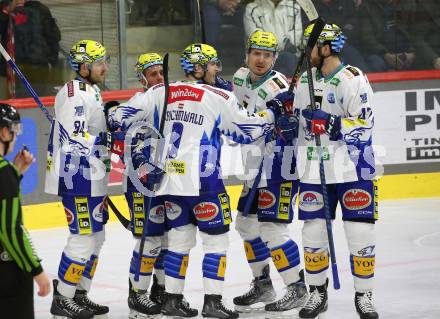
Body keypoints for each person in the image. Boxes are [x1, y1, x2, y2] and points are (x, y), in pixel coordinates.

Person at [107, 42, 292, 318]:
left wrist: (126, 129)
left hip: (169, 181)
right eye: (213, 64)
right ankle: (212, 302)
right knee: (216, 242)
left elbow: (117, 117)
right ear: (199, 68)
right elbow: (246, 131)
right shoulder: (218, 96)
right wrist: (274, 112)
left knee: (179, 240)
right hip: (204, 182)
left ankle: (172, 300)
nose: (218, 69)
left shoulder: (159, 91)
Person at [273, 22, 379, 319]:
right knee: (314, 232)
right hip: (313, 168)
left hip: (353, 169)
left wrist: (333, 124)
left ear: (327, 48)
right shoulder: (304, 81)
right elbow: (297, 126)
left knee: (360, 232)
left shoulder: (353, 79)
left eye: (310, 47)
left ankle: (364, 295)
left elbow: (365, 126)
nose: (306, 53)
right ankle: (317, 293)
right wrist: (287, 125)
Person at [232, 29, 307, 315]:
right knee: (246, 226)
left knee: (272, 228)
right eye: (256, 54)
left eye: (267, 55)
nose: (261, 60)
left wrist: (290, 122)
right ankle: (263, 284)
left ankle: (297, 288)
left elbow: (299, 125)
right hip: (254, 167)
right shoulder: (240, 77)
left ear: (274, 58)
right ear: (247, 55)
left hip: (280, 166)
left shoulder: (279, 86)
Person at [44, 39, 111, 319]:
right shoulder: (75, 94)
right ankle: (64, 298)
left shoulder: (90, 90)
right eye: (98, 63)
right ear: (83, 67)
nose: (104, 67)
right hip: (75, 174)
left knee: (96, 237)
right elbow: (75, 140)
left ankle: (79, 293)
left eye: (104, 61)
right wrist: (109, 138)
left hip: (91, 173)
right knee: (83, 237)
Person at [106, 52, 166, 318]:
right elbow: (115, 122)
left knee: (164, 240)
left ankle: (160, 290)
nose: (159, 77)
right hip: (140, 181)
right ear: (143, 78)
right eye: (153, 74)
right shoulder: (141, 100)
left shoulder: (168, 98)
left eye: (161, 73)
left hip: (164, 181)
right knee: (149, 241)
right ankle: (137, 296)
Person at [0, 103, 51, 319]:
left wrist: (16, 173)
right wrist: (36, 271)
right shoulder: (4, 174)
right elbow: (10, 230)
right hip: (8, 277)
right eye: (13, 129)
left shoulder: (7, 174)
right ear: (4, 132)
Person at [0, 0, 61, 98]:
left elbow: (53, 37)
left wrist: (51, 62)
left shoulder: (39, 9)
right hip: (9, 71)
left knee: (37, 100)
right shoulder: (4, 9)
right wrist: (7, 11)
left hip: (38, 69)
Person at [243, 0, 303, 75]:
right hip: (263, 54)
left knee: (288, 58)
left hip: (287, 54)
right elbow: (256, 37)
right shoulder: (252, 8)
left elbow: (296, 36)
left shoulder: (295, 7)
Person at [358, 0, 416, 72]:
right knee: (377, 64)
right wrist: (385, 55)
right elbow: (367, 38)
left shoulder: (407, 4)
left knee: (422, 60)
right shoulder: (367, 6)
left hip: (404, 49)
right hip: (378, 52)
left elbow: (415, 33)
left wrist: (413, 52)